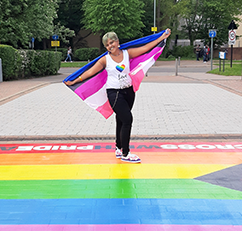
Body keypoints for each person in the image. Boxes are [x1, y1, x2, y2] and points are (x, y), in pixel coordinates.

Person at [64, 29, 171, 163]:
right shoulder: (105, 59)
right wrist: (74, 81)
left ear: (117, 41)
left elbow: (145, 48)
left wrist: (162, 37)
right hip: (114, 93)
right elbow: (90, 72)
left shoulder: (127, 54)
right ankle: (126, 153)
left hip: (129, 91)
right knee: (127, 119)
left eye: (111, 43)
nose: (110, 46)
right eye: (107, 45)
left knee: (121, 119)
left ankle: (118, 147)